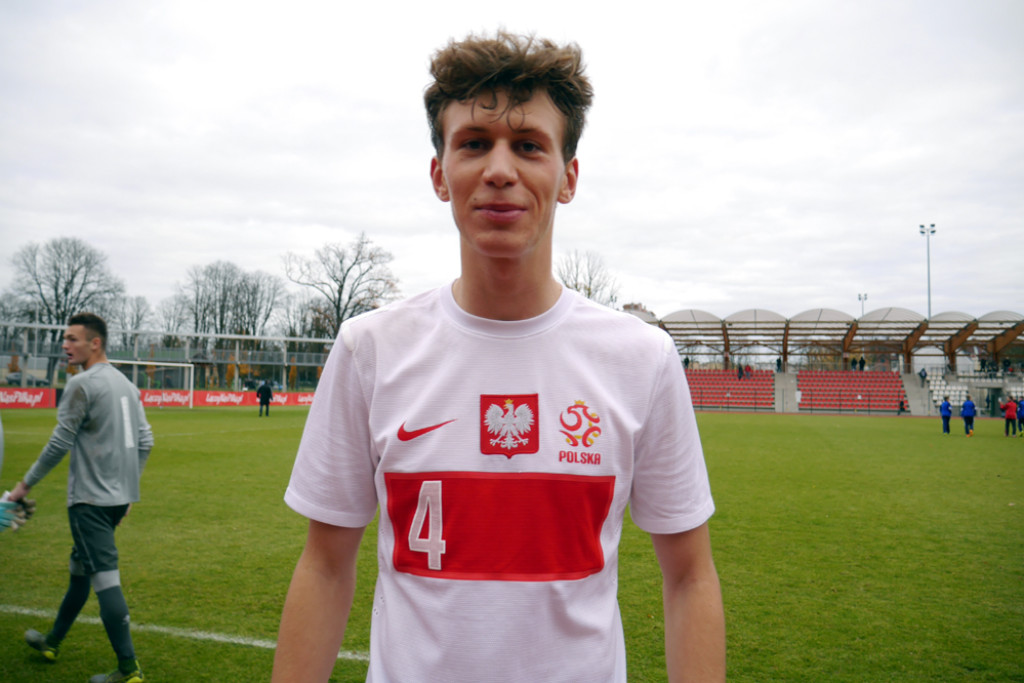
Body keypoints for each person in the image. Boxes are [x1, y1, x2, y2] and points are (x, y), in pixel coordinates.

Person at [272, 31, 724, 683]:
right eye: (475, 143)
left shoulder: (642, 358)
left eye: (529, 145)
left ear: (567, 176)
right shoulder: (369, 348)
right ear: (440, 173)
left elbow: (690, 576)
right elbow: (324, 563)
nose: (500, 169)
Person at [8, 313, 153, 683]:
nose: (65, 345)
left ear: (95, 343)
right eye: (64, 338)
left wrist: (23, 486)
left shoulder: (82, 384)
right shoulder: (127, 385)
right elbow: (146, 441)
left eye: (73, 339)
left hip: (89, 502)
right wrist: (129, 491)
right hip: (116, 499)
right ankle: (52, 641)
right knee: (80, 571)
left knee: (105, 580)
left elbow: (60, 443)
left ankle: (128, 669)